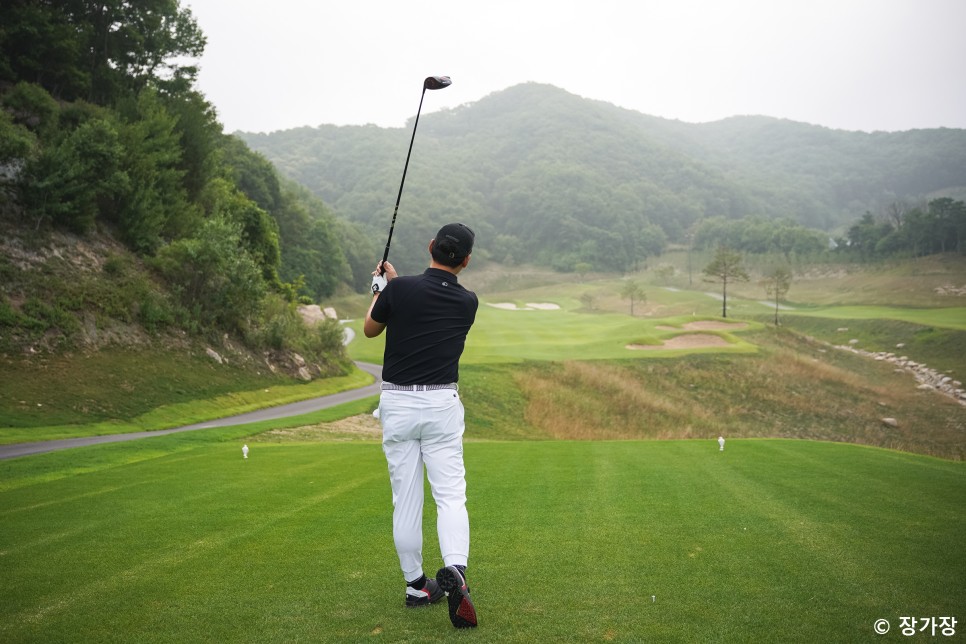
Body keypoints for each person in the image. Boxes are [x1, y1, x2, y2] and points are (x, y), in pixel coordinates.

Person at [364, 222, 479, 629]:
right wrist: (394, 288)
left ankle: (417, 586)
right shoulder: (469, 302)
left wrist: (381, 288)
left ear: (431, 246)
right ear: (465, 260)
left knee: (406, 498)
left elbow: (370, 329)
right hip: (441, 404)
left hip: (397, 401)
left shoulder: (398, 290)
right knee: (450, 496)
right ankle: (456, 572)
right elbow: (431, 299)